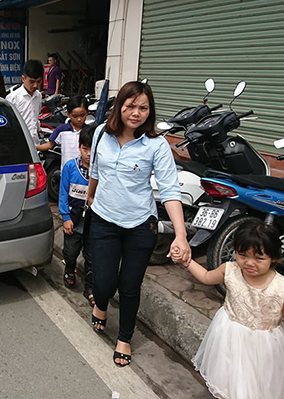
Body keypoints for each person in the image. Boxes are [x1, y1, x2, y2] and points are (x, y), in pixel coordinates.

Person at [85, 80, 190, 367]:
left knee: (130, 287)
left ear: (150, 112)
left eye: (143, 107)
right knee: (103, 285)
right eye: (130, 106)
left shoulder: (156, 145)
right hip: (104, 221)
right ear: (119, 106)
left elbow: (169, 191)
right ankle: (102, 304)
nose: (136, 113)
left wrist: (180, 235)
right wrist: (91, 195)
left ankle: (125, 339)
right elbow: (95, 169)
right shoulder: (99, 135)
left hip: (141, 225)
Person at [171, 221, 284, 398]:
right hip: (229, 339)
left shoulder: (283, 288)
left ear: (273, 257)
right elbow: (205, 276)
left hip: (265, 349)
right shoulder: (229, 270)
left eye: (259, 258)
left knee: (259, 386)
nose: (249, 263)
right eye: (242, 255)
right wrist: (186, 262)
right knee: (231, 382)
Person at [58, 126, 94, 306]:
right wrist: (65, 217)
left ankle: (90, 287)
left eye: (92, 149)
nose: (88, 154)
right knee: (71, 251)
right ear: (79, 147)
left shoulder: (101, 171)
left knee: (92, 256)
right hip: (73, 218)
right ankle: (70, 269)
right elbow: (63, 193)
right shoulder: (70, 167)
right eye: (85, 149)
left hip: (94, 222)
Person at [36, 95, 89, 170]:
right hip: (67, 171)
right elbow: (49, 145)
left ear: (87, 113)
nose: (79, 119)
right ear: (68, 114)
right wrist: (34, 148)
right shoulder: (62, 130)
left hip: (85, 171)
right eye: (75, 116)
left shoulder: (89, 131)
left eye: (82, 115)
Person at [5, 59, 43, 144]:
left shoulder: (38, 96)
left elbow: (35, 119)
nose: (35, 85)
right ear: (23, 78)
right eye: (32, 82)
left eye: (38, 82)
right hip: (18, 144)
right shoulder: (13, 98)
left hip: (35, 144)